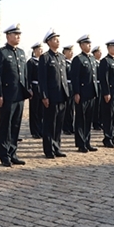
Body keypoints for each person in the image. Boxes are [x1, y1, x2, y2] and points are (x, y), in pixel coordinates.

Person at [0, 23, 30, 167]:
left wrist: (28, 90)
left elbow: (24, 74)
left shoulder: (21, 52)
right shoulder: (1, 53)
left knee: (15, 125)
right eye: (15, 34)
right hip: (7, 96)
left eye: (19, 34)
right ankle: (4, 155)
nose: (18, 37)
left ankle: (13, 152)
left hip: (19, 95)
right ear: (8, 36)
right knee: (5, 126)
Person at [38, 29, 69, 158]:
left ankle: (57, 147)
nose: (58, 41)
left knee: (59, 124)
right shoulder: (45, 57)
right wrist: (44, 96)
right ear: (49, 42)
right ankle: (48, 149)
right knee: (50, 124)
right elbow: (42, 79)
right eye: (55, 39)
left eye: (58, 39)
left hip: (62, 94)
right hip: (51, 96)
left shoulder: (61, 57)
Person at [69, 34, 100, 152]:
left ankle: (87, 141)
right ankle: (81, 143)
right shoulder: (78, 59)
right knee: (80, 119)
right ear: (81, 45)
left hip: (91, 93)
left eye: (90, 43)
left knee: (88, 119)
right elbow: (75, 77)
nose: (89, 45)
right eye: (87, 43)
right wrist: (76, 92)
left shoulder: (92, 59)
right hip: (82, 93)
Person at [98, 39, 114, 148]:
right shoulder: (105, 61)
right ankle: (107, 138)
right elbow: (104, 79)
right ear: (109, 48)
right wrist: (106, 92)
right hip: (110, 93)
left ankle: (113, 136)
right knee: (108, 116)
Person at [27, 42, 43, 139]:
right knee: (34, 110)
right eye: (39, 49)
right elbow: (28, 77)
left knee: (41, 111)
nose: (41, 51)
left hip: (41, 88)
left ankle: (41, 130)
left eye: (42, 49)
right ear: (35, 51)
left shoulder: (43, 61)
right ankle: (34, 131)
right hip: (34, 87)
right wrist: (29, 89)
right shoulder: (31, 62)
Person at [62, 45, 75, 135]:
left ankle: (70, 126)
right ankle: (66, 128)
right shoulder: (64, 63)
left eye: (72, 51)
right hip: (66, 86)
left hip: (72, 87)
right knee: (66, 109)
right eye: (69, 51)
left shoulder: (72, 63)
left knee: (71, 108)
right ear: (65, 53)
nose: (71, 53)